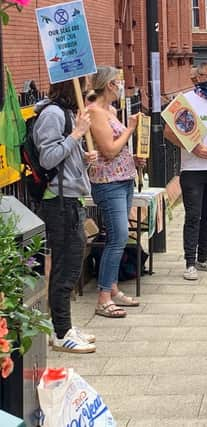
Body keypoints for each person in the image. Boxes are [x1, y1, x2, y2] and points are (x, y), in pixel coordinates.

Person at [34, 78, 98, 353]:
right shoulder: (52, 114)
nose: (86, 94)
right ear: (69, 88)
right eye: (83, 88)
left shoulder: (65, 114)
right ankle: (61, 333)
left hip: (70, 198)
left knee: (70, 265)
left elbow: (64, 156)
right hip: (58, 201)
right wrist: (77, 134)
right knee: (65, 268)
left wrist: (82, 158)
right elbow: (48, 158)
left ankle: (64, 325)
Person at [164, 62, 207, 281]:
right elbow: (169, 132)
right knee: (194, 215)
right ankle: (189, 262)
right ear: (198, 77)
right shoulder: (184, 102)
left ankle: (203, 258)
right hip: (193, 169)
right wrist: (192, 147)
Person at [87, 66, 142, 318]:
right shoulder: (96, 112)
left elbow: (117, 149)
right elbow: (108, 149)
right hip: (108, 182)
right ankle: (103, 297)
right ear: (109, 85)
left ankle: (112, 287)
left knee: (120, 237)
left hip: (124, 178)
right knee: (118, 237)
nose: (122, 86)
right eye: (119, 82)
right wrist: (130, 129)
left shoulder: (111, 110)